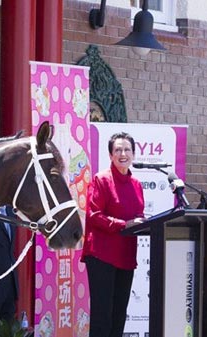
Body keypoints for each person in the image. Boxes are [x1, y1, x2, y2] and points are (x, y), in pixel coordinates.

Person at [81, 132, 145, 337]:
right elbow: (93, 215)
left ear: (133, 154)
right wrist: (123, 224)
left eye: (127, 149)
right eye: (118, 150)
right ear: (110, 155)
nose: (123, 153)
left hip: (126, 255)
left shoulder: (136, 184)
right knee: (103, 317)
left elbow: (138, 215)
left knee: (119, 315)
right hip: (102, 255)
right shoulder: (101, 180)